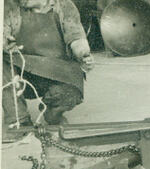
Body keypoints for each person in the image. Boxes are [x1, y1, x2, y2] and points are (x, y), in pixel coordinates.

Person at [3, 0, 94, 137]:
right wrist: (4, 43)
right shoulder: (10, 6)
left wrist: (84, 56)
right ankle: (19, 120)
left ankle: (53, 114)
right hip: (21, 72)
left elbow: (76, 37)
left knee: (70, 91)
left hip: (56, 71)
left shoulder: (64, 6)